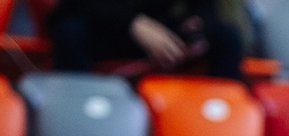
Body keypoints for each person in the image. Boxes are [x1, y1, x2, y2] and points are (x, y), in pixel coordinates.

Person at [47, 0, 244, 80]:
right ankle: (78, 113)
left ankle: (220, 121)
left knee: (226, 36)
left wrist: (200, 22)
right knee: (70, 31)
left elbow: (205, 8)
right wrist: (133, 23)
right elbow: (66, 9)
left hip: (160, 33)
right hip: (105, 29)